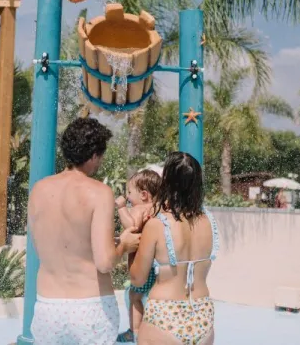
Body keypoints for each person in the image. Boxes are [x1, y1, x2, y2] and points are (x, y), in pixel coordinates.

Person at [28, 117, 141, 344]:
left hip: (48, 306)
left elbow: (47, 248)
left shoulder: (38, 190)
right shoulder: (98, 192)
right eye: (100, 156)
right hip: (91, 306)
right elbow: (105, 262)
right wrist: (125, 245)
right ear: (93, 155)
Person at [130, 152, 219, 345]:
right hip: (202, 313)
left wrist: (133, 241)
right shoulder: (209, 221)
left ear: (167, 183)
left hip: (165, 314)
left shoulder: (158, 225)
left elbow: (137, 279)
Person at [115, 170, 162, 343]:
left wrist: (121, 208)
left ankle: (134, 332)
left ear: (143, 195)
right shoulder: (158, 208)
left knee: (134, 296)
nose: (127, 197)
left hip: (142, 268)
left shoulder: (138, 208)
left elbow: (132, 226)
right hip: (155, 265)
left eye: (129, 192)